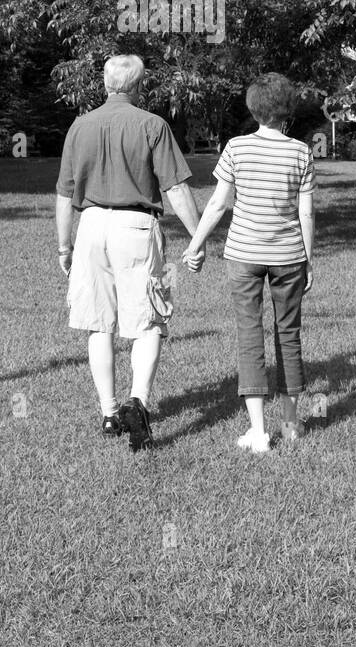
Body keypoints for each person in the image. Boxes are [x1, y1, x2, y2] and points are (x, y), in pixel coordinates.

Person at [55, 54, 204, 452]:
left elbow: (65, 193)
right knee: (149, 321)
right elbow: (175, 188)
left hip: (91, 226)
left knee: (98, 323)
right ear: (138, 86)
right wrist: (197, 236)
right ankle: (137, 402)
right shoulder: (152, 125)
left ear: (105, 84)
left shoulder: (80, 126)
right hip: (136, 227)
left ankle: (108, 414)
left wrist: (64, 246)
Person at [182, 73, 315, 453]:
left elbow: (218, 204)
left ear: (253, 109)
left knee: (249, 334)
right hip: (289, 257)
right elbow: (306, 212)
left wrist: (195, 245)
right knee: (288, 334)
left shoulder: (236, 148)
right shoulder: (301, 152)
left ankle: (258, 432)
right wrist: (308, 259)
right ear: (288, 110)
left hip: (243, 255)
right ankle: (290, 425)